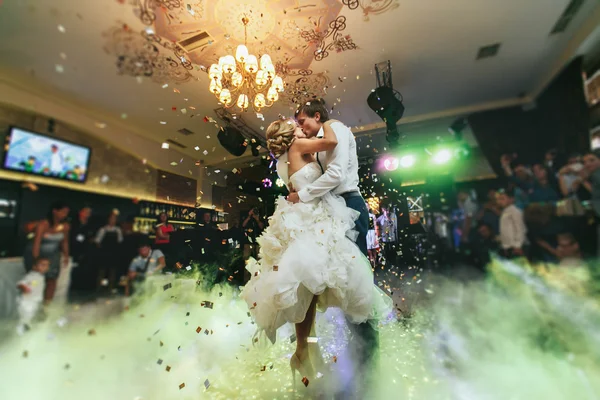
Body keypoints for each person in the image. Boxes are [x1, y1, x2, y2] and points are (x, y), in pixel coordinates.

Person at [286, 99, 391, 389]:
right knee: (340, 282)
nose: (302, 128)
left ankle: (369, 367)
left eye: (304, 122)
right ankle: (357, 356)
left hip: (348, 205)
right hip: (331, 208)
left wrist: (302, 196)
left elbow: (335, 176)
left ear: (317, 116)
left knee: (353, 280)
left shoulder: (337, 129)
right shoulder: (315, 142)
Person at [23, 201, 70, 304]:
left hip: (53, 255)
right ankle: (31, 304)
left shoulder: (65, 226)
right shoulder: (43, 224)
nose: (64, 215)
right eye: (63, 212)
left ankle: (46, 307)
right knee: (36, 280)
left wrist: (66, 255)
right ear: (55, 211)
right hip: (38, 253)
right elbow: (36, 243)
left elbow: (64, 242)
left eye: (66, 212)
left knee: (52, 280)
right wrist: (36, 259)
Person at [68, 206, 96, 302]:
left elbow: (91, 237)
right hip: (72, 250)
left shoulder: (90, 225)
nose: (88, 214)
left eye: (89, 212)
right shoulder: (73, 223)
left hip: (85, 251)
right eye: (86, 211)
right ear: (81, 212)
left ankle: (81, 289)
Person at [16, 257, 49, 335]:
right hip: (27, 302)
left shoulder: (41, 276)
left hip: (35, 301)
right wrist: (24, 287)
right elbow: (20, 283)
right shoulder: (32, 275)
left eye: (47, 265)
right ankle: (21, 333)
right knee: (26, 318)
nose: (45, 267)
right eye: (42, 265)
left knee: (35, 317)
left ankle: (29, 331)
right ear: (35, 266)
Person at [95, 212, 124, 292]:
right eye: (111, 218)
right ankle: (98, 288)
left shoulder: (118, 230)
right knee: (101, 271)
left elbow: (120, 240)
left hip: (113, 253)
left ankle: (111, 288)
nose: (113, 220)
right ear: (108, 219)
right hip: (104, 253)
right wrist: (102, 250)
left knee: (112, 271)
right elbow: (97, 241)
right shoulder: (103, 229)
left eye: (114, 219)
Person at [496, 188, 528, 258]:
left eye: (502, 199)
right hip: (508, 246)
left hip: (516, 247)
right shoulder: (505, 211)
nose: (500, 201)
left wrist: (518, 245)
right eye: (498, 199)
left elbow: (521, 229)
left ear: (511, 199)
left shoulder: (515, 211)